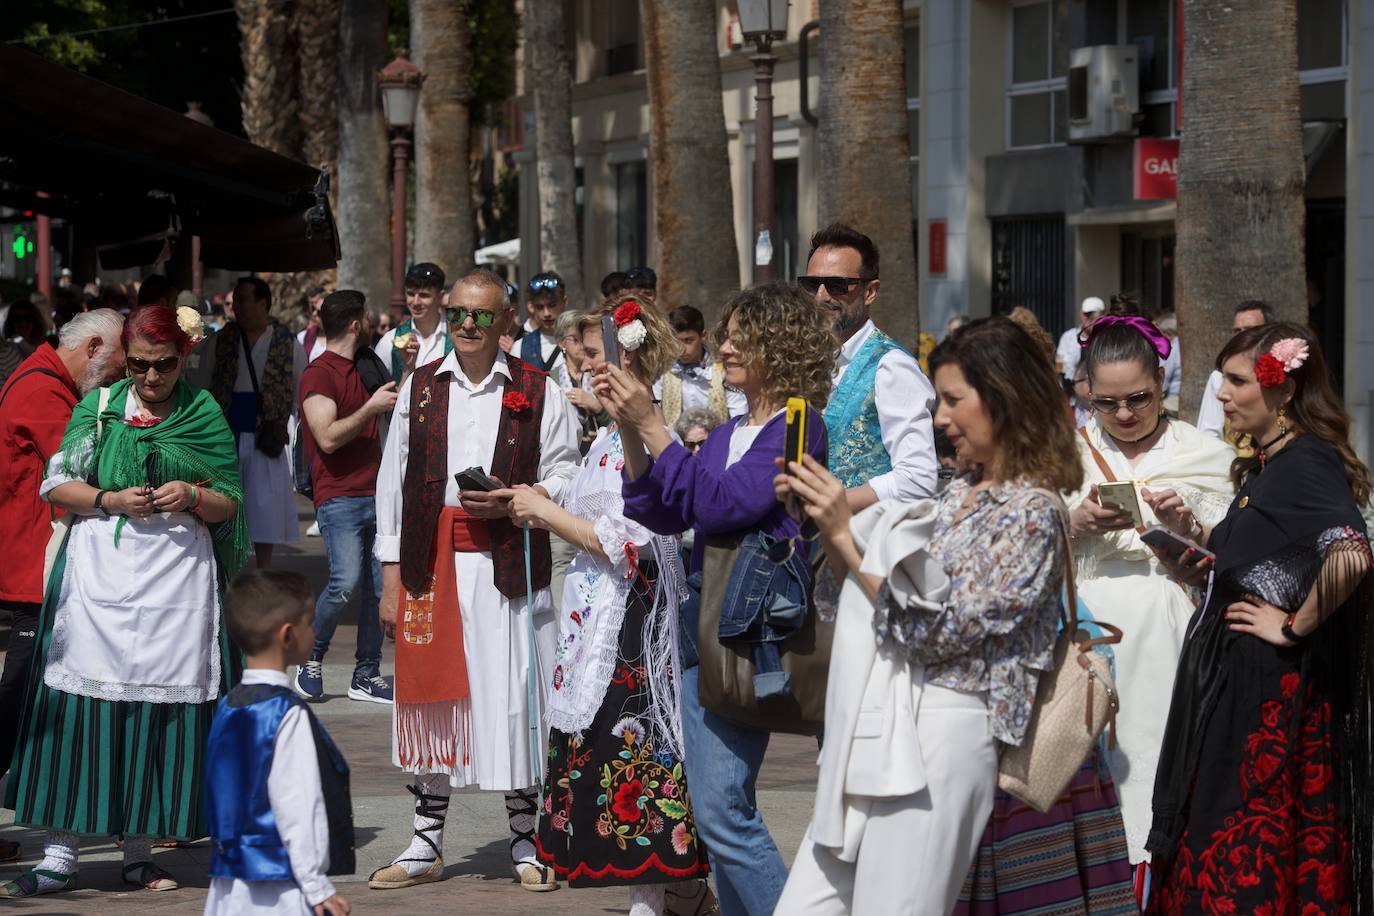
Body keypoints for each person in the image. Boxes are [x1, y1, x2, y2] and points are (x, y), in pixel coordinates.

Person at [770, 317, 1094, 914]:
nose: (939, 418)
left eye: (952, 400)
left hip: (946, 731)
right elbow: (866, 599)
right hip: (879, 714)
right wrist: (827, 524)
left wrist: (845, 535)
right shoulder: (955, 491)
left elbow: (937, 634)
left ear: (1004, 398)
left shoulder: (1033, 513)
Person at [1, 305, 249, 898]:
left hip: (175, 588)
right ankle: (60, 856)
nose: (149, 377)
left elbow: (231, 500)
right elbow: (57, 483)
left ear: (182, 359)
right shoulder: (100, 407)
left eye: (162, 365)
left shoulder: (203, 411)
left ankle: (138, 854)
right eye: (137, 364)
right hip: (98, 583)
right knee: (76, 711)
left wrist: (192, 492)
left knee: (155, 713)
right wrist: (110, 500)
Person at [611, 282, 834, 916]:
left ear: (779, 344)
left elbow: (721, 505)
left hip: (746, 629)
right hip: (703, 621)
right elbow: (659, 506)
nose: (724, 344)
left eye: (740, 334)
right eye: (726, 333)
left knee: (720, 812)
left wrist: (655, 424)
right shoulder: (734, 428)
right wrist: (634, 427)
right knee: (718, 814)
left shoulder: (798, 426)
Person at [1146, 323, 1374, 912]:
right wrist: (1189, 538)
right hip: (1241, 689)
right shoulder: (1275, 464)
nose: (1220, 393)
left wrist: (1292, 624)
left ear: (1283, 391)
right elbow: (1261, 561)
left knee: (1242, 842)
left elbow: (1351, 553)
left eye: (1236, 381)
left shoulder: (1305, 463)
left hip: (1265, 700)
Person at [368, 268, 581, 893]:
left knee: (515, 696)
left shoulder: (541, 390)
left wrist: (528, 495)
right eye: (458, 313)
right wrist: (388, 579)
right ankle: (425, 843)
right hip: (431, 569)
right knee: (433, 701)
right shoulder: (421, 388)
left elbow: (569, 471)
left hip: (509, 567)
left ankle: (525, 839)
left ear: (505, 323)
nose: (466, 324)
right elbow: (393, 486)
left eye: (481, 315)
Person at [508, 303, 713, 916]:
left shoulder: (649, 434)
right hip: (595, 617)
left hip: (632, 623)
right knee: (604, 751)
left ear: (632, 356)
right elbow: (581, 496)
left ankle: (652, 901)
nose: (580, 361)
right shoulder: (604, 438)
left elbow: (625, 539)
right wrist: (533, 495)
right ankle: (685, 896)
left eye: (593, 353)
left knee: (630, 754)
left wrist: (543, 514)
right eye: (579, 352)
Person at [1065, 314, 1234, 881]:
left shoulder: (1203, 453)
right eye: (1106, 403)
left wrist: (1190, 527)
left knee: (1159, 763)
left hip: (1169, 633)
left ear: (1162, 382)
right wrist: (1074, 522)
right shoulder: (1064, 453)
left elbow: (1234, 558)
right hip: (1083, 631)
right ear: (1086, 390)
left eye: (1138, 397)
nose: (1124, 414)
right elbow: (1020, 539)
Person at [0, 309, 125, 863]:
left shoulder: (40, 377)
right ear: (93, 345)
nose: (117, 379)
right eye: (117, 366)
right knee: (16, 699)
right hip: (28, 566)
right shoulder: (44, 391)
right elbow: (90, 468)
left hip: (30, 562)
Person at [204, 570, 354, 916]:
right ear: (287, 635)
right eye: (310, 623)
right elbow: (299, 805)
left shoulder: (228, 706)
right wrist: (317, 887)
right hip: (279, 886)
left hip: (229, 883)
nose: (314, 632)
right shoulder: (286, 714)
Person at [294, 290, 399, 704]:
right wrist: (371, 409)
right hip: (338, 495)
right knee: (343, 582)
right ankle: (309, 658)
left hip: (378, 492)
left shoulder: (369, 363)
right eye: (368, 317)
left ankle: (366, 674)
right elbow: (327, 437)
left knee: (378, 588)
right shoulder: (319, 373)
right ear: (356, 322)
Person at [800, 223, 938, 510]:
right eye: (812, 284)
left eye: (837, 285)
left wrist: (832, 505)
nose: (821, 296)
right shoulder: (805, 361)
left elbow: (918, 478)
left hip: (860, 547)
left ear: (870, 291)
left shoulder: (892, 367)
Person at [200, 277, 306, 568]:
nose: (237, 307)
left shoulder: (287, 342)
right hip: (226, 430)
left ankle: (263, 568)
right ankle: (224, 564)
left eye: (243, 300)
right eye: (235, 300)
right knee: (223, 500)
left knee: (264, 505)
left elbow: (301, 389)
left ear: (262, 303)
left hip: (265, 433)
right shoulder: (222, 339)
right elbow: (206, 381)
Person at [655, 304, 745, 428]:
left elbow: (738, 412)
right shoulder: (664, 372)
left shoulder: (723, 370)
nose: (681, 349)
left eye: (688, 341)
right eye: (676, 341)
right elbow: (655, 411)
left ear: (703, 336)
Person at [1196, 300, 1274, 440]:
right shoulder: (1218, 377)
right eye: (1237, 330)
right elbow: (1209, 433)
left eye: (1250, 330)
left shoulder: (1283, 372)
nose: (1242, 335)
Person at [374, 263, 451, 385]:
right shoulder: (389, 341)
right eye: (410, 294)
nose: (415, 302)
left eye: (424, 295)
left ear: (440, 296)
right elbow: (381, 392)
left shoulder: (456, 336)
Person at [512, 272, 569, 376]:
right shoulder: (519, 347)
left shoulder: (582, 340)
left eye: (552, 305)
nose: (546, 313)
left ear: (564, 301)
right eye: (540, 307)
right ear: (532, 307)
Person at [1056, 296, 1106, 380]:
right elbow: (1059, 365)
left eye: (1093, 315)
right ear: (1081, 314)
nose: (1088, 318)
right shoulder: (1068, 337)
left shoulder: (1106, 338)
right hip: (1071, 388)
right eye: (1086, 314)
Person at [297, 285, 328, 363]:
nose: (314, 314)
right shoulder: (304, 337)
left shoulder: (345, 339)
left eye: (319, 312)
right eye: (312, 308)